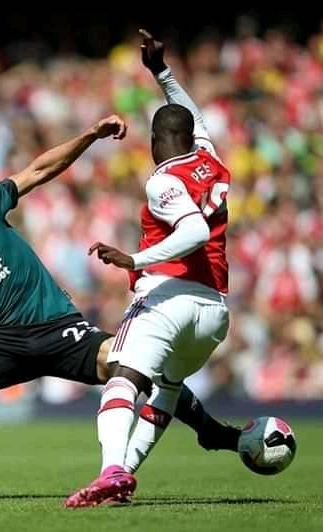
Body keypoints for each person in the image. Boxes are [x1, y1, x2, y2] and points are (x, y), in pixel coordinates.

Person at [0, 112, 239, 502]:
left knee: (136, 363)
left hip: (58, 328)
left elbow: (39, 169)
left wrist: (90, 134)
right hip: (2, 344)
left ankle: (208, 430)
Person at [65, 30, 234, 508]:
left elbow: (194, 230)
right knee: (167, 391)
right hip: (213, 311)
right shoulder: (210, 159)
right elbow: (192, 115)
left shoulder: (163, 180)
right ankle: (120, 481)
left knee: (123, 377)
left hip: (168, 297)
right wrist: (161, 72)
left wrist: (135, 259)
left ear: (157, 141)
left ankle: (111, 470)